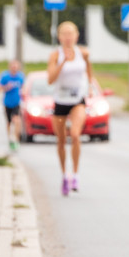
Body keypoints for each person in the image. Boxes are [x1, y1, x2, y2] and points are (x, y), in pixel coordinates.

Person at [47, 21, 94, 197]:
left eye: (71, 33)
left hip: (77, 100)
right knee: (60, 141)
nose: (68, 37)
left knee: (74, 134)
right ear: (59, 37)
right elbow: (50, 80)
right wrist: (63, 62)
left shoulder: (83, 53)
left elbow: (89, 69)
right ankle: (64, 175)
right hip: (60, 101)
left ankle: (75, 174)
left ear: (76, 36)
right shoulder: (55, 55)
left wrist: (89, 85)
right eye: (64, 34)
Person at [0, 59, 24, 151]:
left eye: (16, 67)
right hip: (7, 102)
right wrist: (6, 87)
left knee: (17, 120)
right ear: (10, 67)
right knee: (9, 122)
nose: (14, 68)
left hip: (16, 102)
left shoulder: (20, 77)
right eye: (13, 66)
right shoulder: (5, 76)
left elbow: (23, 87)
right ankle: (10, 137)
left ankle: (16, 139)